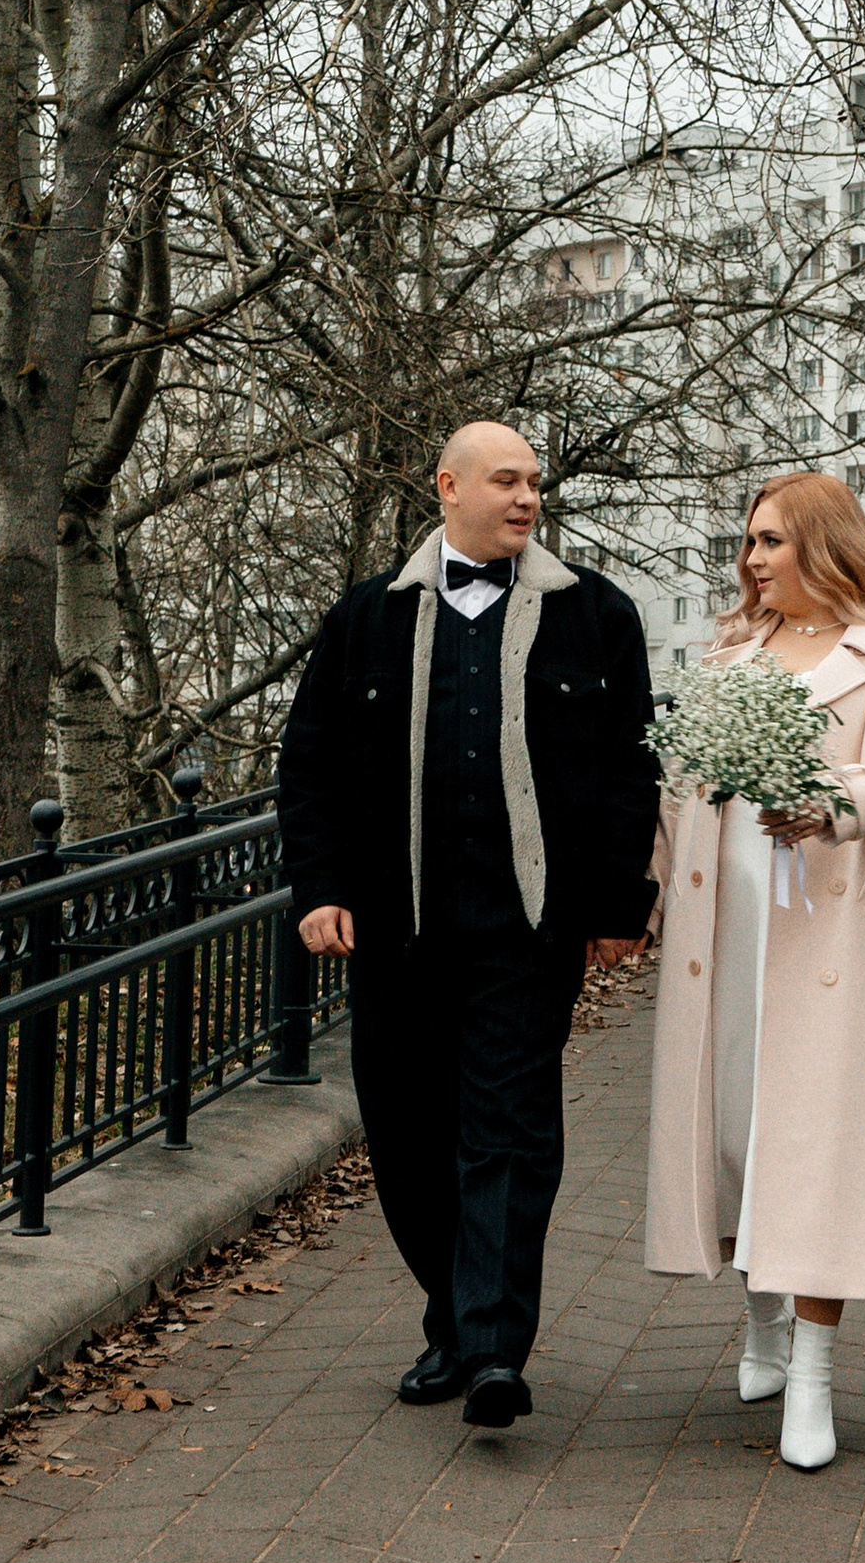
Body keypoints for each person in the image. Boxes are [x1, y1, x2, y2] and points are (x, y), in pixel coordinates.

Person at [277, 420, 659, 1430]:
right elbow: (307, 766)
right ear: (448, 487)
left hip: (527, 932)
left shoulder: (597, 618)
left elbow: (631, 771)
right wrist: (318, 888)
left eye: (534, 482)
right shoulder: (364, 620)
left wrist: (623, 904)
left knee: (508, 1133)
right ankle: (449, 1318)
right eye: (506, 480)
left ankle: (493, 1348)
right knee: (406, 1134)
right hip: (395, 932)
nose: (528, 497)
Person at [644, 468, 865, 1471]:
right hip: (728, 917)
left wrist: (832, 801)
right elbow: (682, 780)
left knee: (818, 1142)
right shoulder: (732, 649)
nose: (752, 559)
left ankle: (815, 1374)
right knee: (740, 1129)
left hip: (833, 927)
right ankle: (765, 1323)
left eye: (771, 541)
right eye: (749, 542)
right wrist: (649, 892)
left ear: (824, 546)